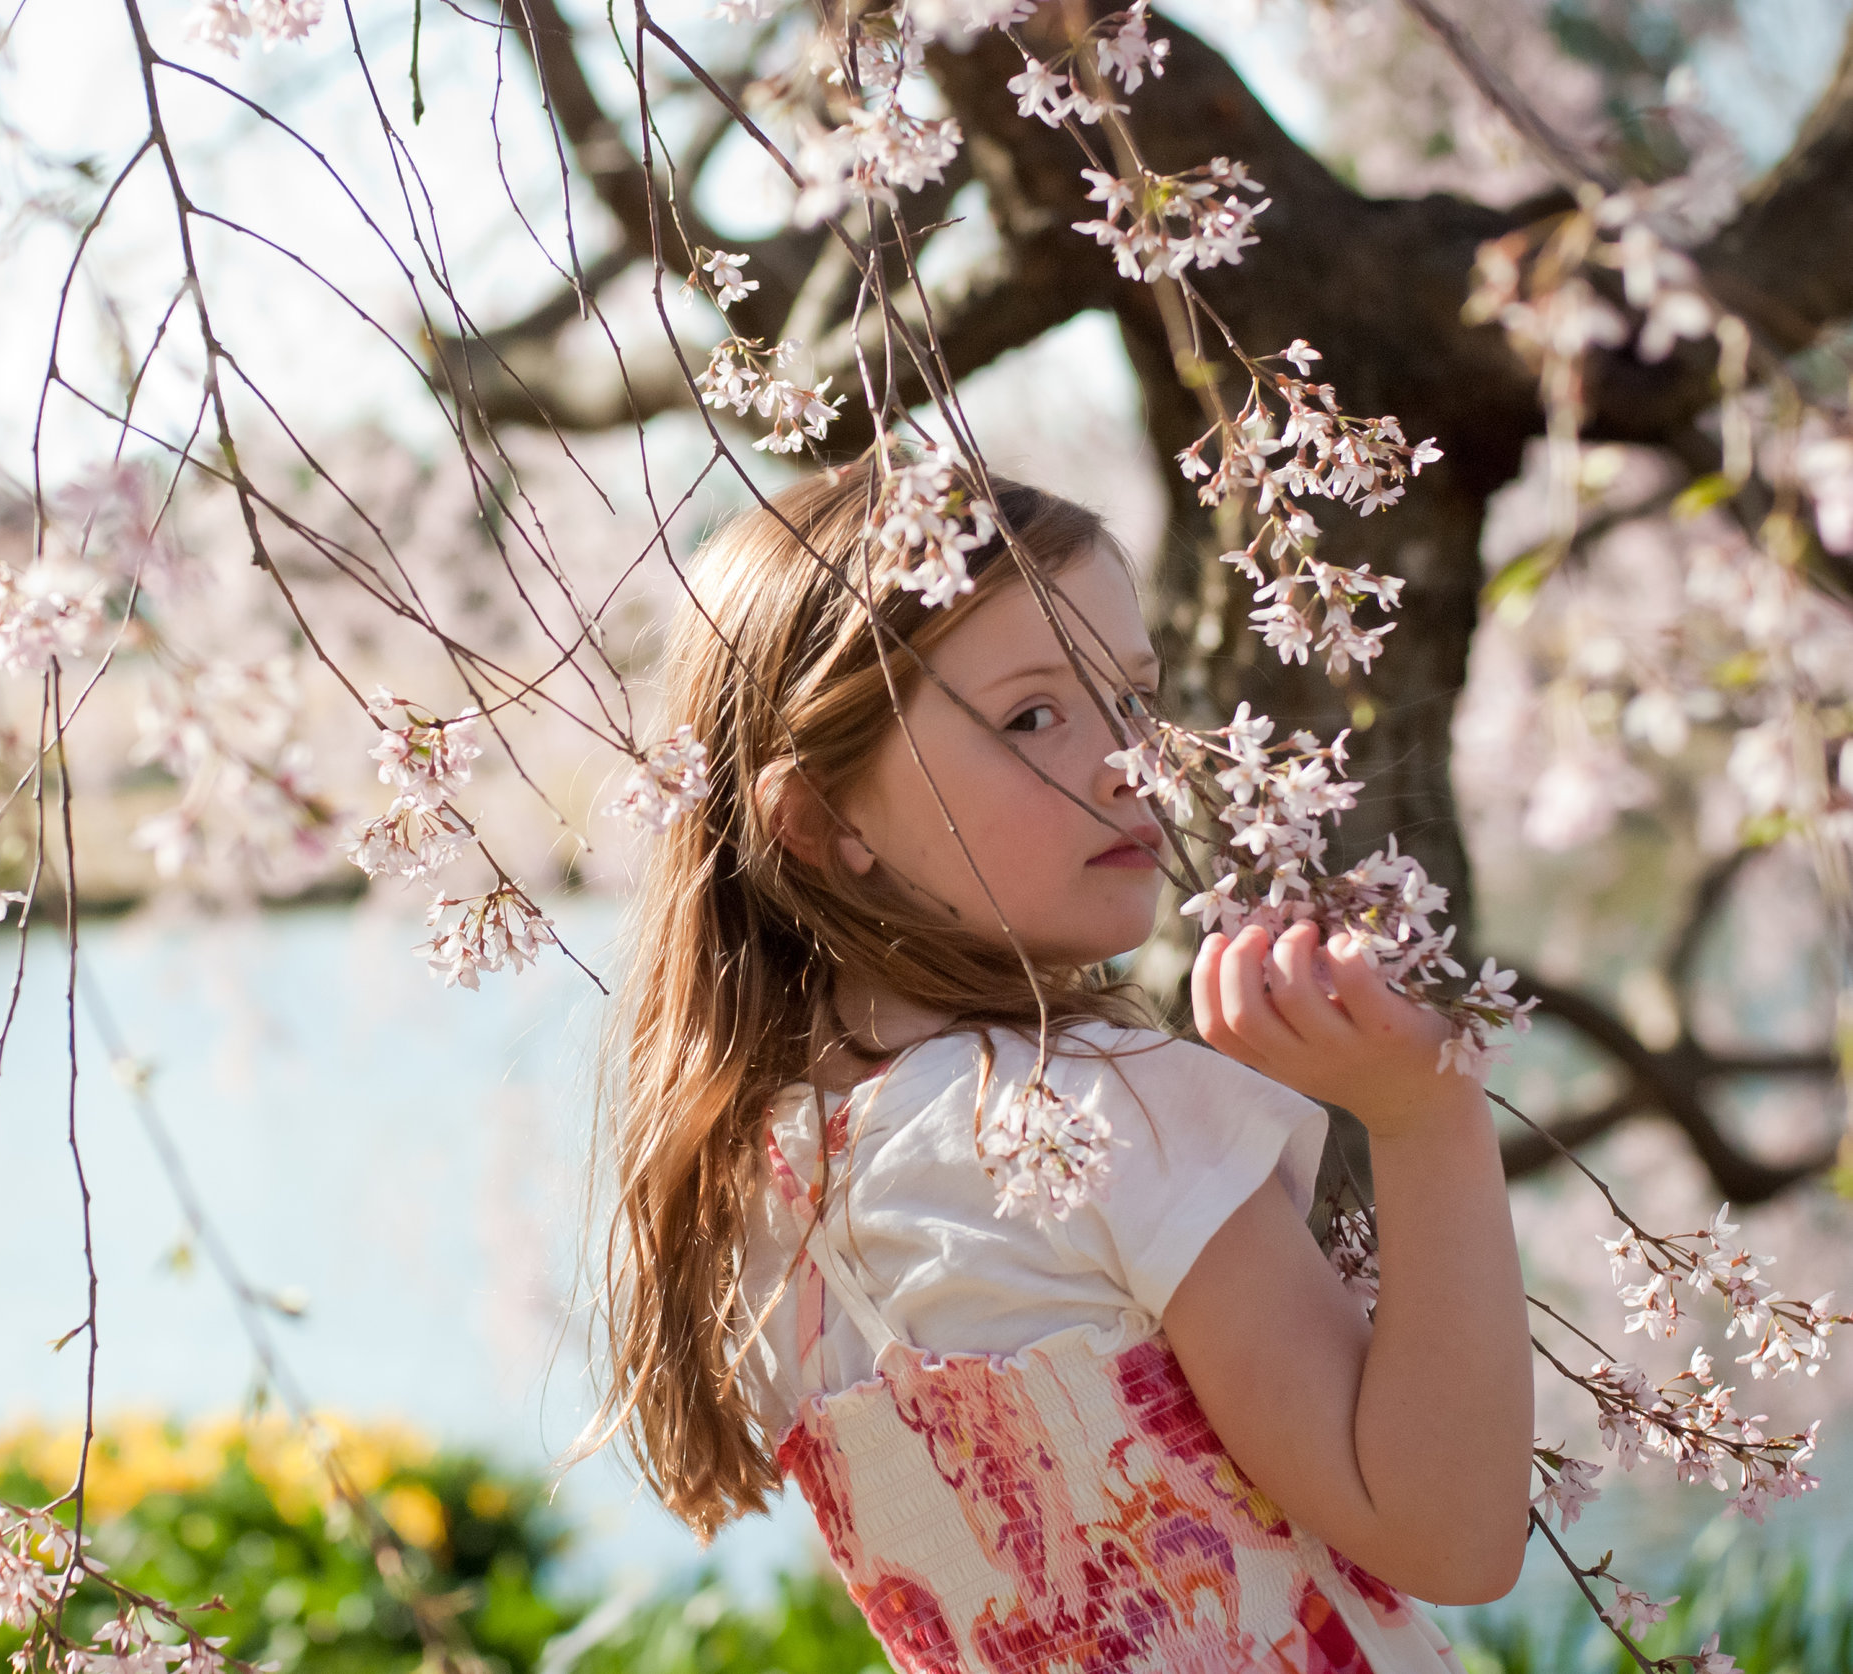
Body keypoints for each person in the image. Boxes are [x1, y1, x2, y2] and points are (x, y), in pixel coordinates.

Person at [592, 462, 1532, 1673]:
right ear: (827, 821)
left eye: (1134, 702)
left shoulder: (759, 1190)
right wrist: (1425, 1120)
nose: (1130, 766)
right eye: (1034, 716)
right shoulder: (1101, 1113)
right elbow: (1446, 1535)